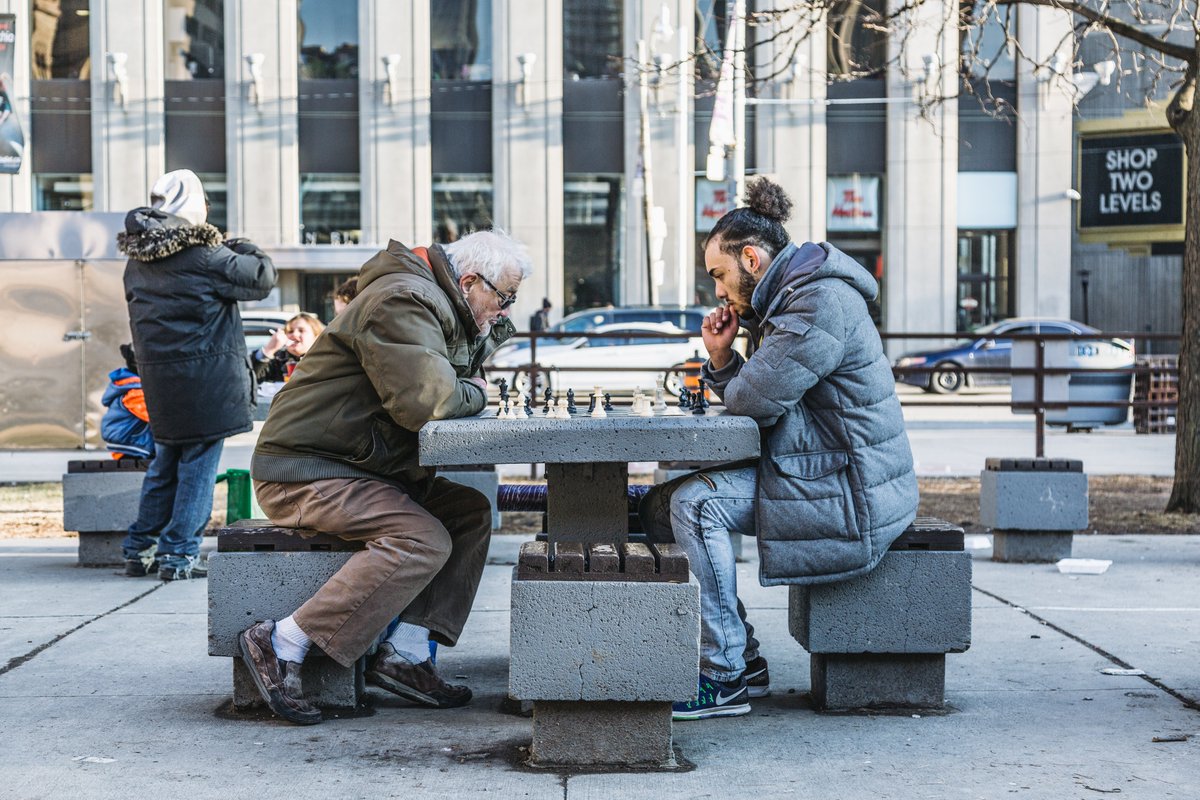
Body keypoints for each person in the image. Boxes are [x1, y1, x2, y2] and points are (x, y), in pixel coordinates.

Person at [639, 178, 918, 721]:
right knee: (663, 503)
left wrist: (726, 363)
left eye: (719, 275)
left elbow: (752, 402)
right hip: (826, 468)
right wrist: (723, 357)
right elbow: (763, 398)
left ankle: (724, 676)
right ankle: (743, 659)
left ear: (751, 259)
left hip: (851, 490)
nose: (719, 292)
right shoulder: (791, 299)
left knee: (694, 505)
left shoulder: (817, 303)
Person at [240, 229, 532, 725]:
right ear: (468, 281)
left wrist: (478, 350)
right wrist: (478, 392)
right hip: (306, 472)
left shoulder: (435, 301)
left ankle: (406, 654)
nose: (505, 312)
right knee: (421, 540)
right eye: (504, 298)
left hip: (360, 466)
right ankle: (282, 640)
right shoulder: (403, 299)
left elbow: (450, 379)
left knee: (468, 513)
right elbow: (429, 402)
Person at [119, 169, 277, 580]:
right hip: (206, 385)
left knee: (164, 466)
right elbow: (261, 276)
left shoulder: (137, 262)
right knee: (197, 473)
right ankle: (177, 554)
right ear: (192, 208)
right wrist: (237, 244)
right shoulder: (205, 255)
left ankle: (138, 548)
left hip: (161, 383)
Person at [251, 312, 325, 382]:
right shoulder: (276, 360)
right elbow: (251, 380)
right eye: (290, 331)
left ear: (316, 336)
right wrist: (269, 350)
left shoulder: (325, 360)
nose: (294, 334)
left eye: (301, 330)